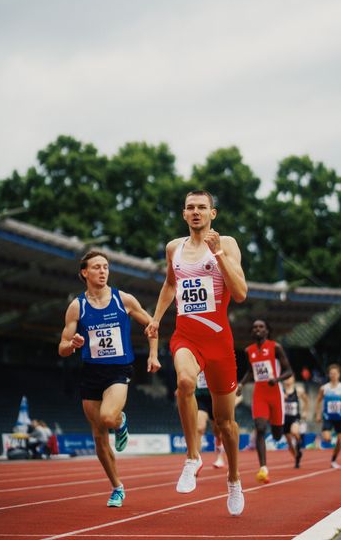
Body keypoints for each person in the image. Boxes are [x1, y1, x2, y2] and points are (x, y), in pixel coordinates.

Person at [146, 190, 247, 516]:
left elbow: (241, 293)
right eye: (190, 207)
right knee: (185, 383)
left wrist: (218, 255)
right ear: (184, 213)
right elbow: (170, 285)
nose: (196, 212)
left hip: (219, 341)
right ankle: (192, 457)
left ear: (212, 213)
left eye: (202, 207)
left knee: (226, 423)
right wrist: (157, 318)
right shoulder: (173, 248)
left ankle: (233, 478)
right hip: (186, 336)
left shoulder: (227, 243)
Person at [59, 250, 160, 508]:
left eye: (105, 267)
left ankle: (121, 420)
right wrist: (73, 344)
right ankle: (117, 487)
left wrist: (153, 355)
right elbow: (61, 347)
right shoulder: (77, 306)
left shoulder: (122, 299)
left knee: (107, 417)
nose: (103, 271)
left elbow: (151, 326)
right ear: (84, 273)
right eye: (96, 267)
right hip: (91, 373)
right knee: (98, 436)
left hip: (118, 370)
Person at [237, 319, 293, 484]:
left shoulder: (275, 347)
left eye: (261, 327)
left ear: (267, 331)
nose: (257, 329)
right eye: (254, 327)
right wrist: (241, 383)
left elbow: (289, 371)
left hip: (275, 393)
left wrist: (277, 379)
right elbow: (250, 371)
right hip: (259, 394)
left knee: (277, 435)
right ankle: (263, 468)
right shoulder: (249, 350)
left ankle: (278, 433)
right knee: (260, 428)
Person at [315, 363, 341, 468]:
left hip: (340, 417)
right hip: (328, 417)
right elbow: (318, 401)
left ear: (339, 374)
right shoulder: (324, 388)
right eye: (331, 373)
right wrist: (318, 414)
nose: (333, 375)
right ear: (329, 375)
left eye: (335, 373)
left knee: (339, 441)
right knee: (327, 438)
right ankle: (322, 438)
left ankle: (333, 460)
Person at [283, 375, 309, 468]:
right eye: (285, 378)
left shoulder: (298, 390)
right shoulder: (281, 391)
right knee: (289, 444)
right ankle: (297, 458)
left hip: (295, 417)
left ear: (293, 379)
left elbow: (306, 400)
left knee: (294, 432)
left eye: (289, 378)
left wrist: (305, 411)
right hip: (284, 419)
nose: (287, 380)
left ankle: (299, 441)